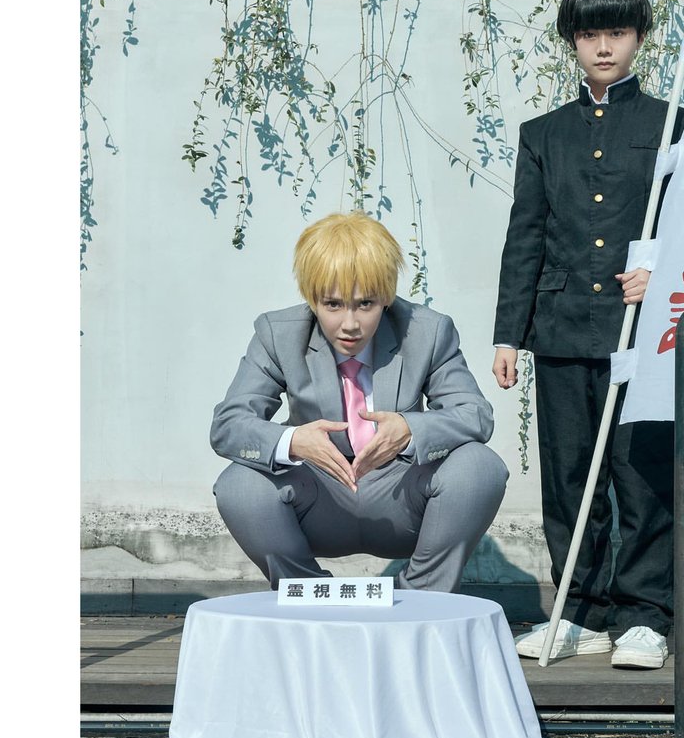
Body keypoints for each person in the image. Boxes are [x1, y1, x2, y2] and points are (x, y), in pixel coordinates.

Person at [492, 0, 684, 669]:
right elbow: (526, 235)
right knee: (569, 476)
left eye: (617, 32)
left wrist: (664, 272)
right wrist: (508, 333)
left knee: (642, 474)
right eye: (589, 34)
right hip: (562, 326)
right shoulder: (543, 135)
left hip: (644, 329)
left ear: (639, 38)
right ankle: (579, 611)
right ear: (572, 42)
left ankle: (644, 615)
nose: (604, 47)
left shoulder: (673, 125)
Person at [212, 210, 508, 592]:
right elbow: (229, 424)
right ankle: (311, 597)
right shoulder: (276, 333)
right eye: (333, 304)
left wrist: (410, 430)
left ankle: (419, 601)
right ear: (312, 298)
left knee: (480, 468)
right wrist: (293, 441)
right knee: (239, 485)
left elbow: (475, 413)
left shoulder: (428, 330)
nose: (350, 324)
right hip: (318, 496)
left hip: (401, 496)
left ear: (386, 297)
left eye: (365, 304)